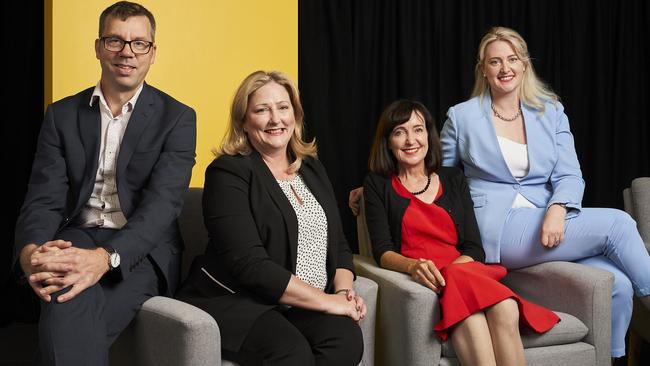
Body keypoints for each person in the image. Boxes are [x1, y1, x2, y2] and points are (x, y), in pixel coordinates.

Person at [439, 26, 650, 358]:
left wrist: (558, 208)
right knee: (619, 224)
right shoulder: (461, 117)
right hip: (497, 228)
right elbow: (439, 177)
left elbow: (570, 174)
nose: (505, 68)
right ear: (483, 69)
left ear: (525, 64)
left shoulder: (550, 110)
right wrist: (384, 185)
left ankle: (613, 358)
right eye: (495, 62)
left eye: (512, 59)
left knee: (618, 285)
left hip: (547, 220)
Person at [13, 2, 196, 365]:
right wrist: (30, 253)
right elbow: (43, 199)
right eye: (115, 40)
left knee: (63, 308)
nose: (126, 52)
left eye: (139, 43)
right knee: (66, 289)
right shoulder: (61, 115)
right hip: (77, 234)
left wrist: (105, 258)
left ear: (152, 52)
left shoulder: (177, 118)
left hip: (142, 250)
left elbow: (162, 208)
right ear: (98, 47)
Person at [176, 70, 365, 366]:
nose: (275, 119)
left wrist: (344, 292)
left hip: (300, 304)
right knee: (291, 353)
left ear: (296, 115)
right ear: (244, 121)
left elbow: (338, 243)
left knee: (345, 340)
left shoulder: (312, 169)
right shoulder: (228, 173)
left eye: (283, 107)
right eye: (262, 110)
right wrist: (329, 303)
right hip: (238, 299)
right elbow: (249, 265)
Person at [363, 99, 558, 366]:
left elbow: (473, 248)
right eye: (399, 132)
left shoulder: (453, 178)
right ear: (387, 141)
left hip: (462, 271)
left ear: (429, 135)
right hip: (430, 279)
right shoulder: (377, 184)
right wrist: (413, 267)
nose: (411, 140)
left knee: (506, 308)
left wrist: (451, 274)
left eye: (418, 130)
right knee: (474, 317)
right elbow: (382, 251)